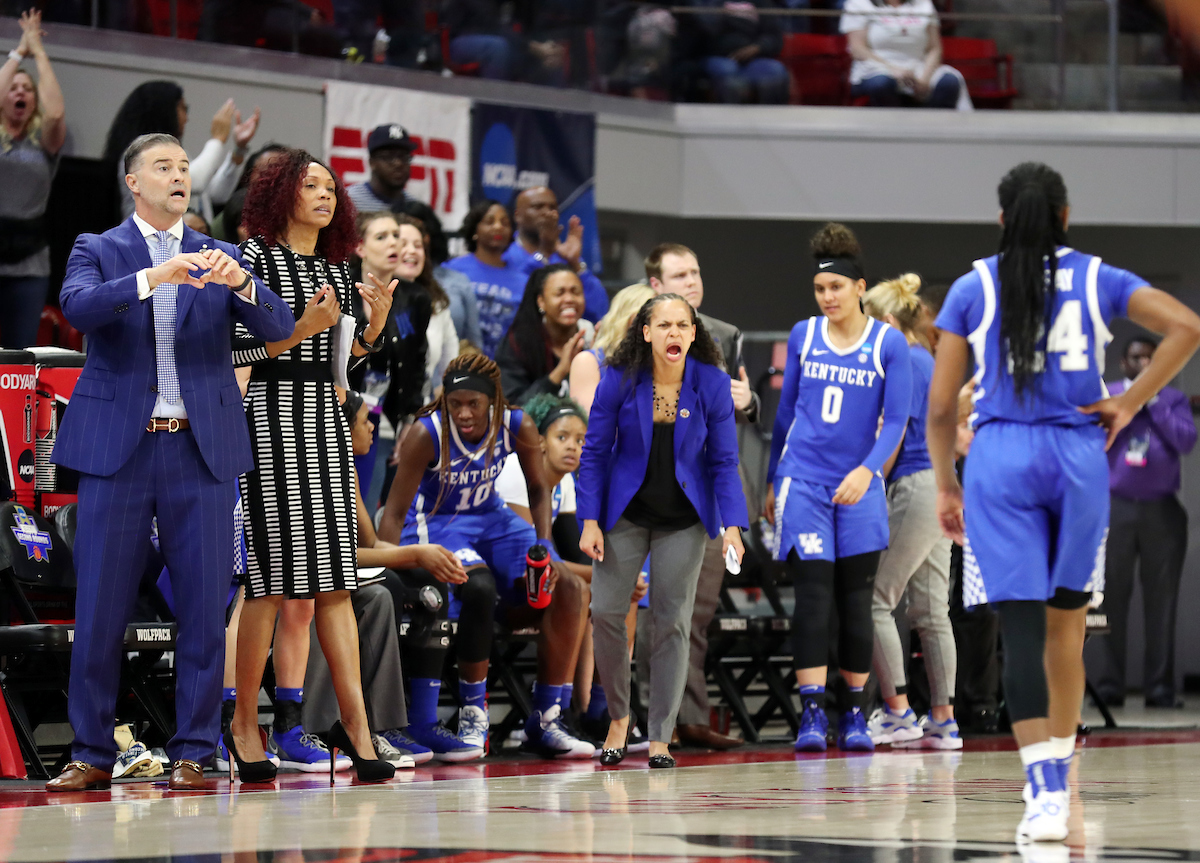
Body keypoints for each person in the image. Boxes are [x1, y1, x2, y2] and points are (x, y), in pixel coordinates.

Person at [927, 162, 1200, 843]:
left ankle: (1044, 793)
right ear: (1065, 216)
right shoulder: (1096, 276)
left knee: (1020, 632)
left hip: (1001, 459)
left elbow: (938, 410)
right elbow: (1187, 326)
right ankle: (1062, 768)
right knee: (1067, 629)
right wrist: (1130, 401)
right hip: (1078, 456)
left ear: (1000, 220)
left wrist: (945, 483)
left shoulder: (970, 286)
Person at [44, 132, 294, 791]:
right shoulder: (98, 248)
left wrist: (243, 279)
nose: (179, 175)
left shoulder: (222, 254)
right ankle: (92, 750)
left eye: (185, 166)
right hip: (117, 451)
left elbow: (279, 327)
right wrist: (156, 277)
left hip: (199, 448)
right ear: (133, 180)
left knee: (206, 608)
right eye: (164, 165)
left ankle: (192, 749)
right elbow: (77, 308)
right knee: (100, 606)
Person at [229, 147, 398, 784]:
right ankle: (246, 725)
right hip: (271, 424)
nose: (326, 195)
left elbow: (335, 362)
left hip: (325, 424)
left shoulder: (332, 265)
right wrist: (308, 325)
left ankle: (358, 730)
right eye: (311, 186)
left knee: (336, 586)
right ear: (280, 195)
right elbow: (239, 347)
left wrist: (371, 331)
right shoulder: (252, 260)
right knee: (270, 588)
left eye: (331, 187)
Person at [377, 354, 595, 760]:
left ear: (492, 400)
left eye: (472, 404)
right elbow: (393, 511)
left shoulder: (516, 424)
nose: (463, 412)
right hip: (437, 522)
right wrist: (392, 579)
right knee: (476, 584)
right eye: (454, 402)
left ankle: (547, 718)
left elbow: (538, 488)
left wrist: (544, 545)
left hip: (491, 518)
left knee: (566, 583)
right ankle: (473, 712)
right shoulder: (428, 432)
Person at [579, 293, 748, 769]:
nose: (674, 333)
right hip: (625, 512)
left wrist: (733, 527)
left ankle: (659, 737)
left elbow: (723, 461)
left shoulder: (713, 383)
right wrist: (589, 521)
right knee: (607, 611)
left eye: (683, 325)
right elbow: (593, 454)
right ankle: (618, 717)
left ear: (694, 334)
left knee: (672, 622)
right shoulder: (618, 379)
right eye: (664, 325)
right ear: (646, 332)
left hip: (685, 518)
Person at [763, 223, 913, 754]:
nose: (827, 297)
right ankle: (809, 713)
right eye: (820, 289)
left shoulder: (887, 343)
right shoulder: (803, 334)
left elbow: (896, 422)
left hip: (858, 485)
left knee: (855, 600)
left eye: (836, 288)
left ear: (859, 287)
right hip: (803, 480)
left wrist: (868, 470)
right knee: (812, 595)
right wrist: (770, 478)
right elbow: (785, 415)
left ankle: (853, 713)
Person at [644, 243, 756, 750]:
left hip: (707, 486)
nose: (691, 281)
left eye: (695, 271)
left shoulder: (726, 336)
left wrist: (748, 401)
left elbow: (738, 412)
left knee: (697, 609)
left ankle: (685, 716)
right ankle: (648, 720)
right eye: (678, 274)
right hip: (648, 489)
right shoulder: (632, 333)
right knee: (658, 608)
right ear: (654, 285)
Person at [861, 274, 960, 750]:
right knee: (930, 609)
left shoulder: (902, 360)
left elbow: (895, 431)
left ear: (883, 320)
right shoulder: (929, 357)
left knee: (876, 598)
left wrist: (868, 477)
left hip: (916, 485)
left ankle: (898, 712)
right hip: (942, 485)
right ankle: (943, 719)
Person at [1093, 336, 1197, 709]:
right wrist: (1128, 405)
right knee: (1111, 601)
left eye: (1151, 359)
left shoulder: (1172, 398)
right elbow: (1093, 440)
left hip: (1161, 510)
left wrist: (1153, 403)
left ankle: (1159, 689)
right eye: (1138, 358)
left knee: (1161, 602)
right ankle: (1110, 686)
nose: (1144, 365)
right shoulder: (1111, 395)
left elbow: (1186, 441)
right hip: (1116, 507)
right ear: (1124, 363)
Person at [351, 211, 457, 497]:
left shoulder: (416, 297)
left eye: (396, 236)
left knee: (376, 508)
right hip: (342, 413)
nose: (394, 244)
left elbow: (415, 363)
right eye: (382, 237)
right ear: (360, 247)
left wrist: (410, 420)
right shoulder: (343, 289)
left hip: (389, 417)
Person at [0, 9, 65, 349]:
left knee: (17, 354)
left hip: (29, 262)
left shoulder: (44, 142)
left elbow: (55, 113)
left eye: (27, 88)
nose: (20, 92)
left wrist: (38, 52)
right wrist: (17, 53)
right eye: (13, 88)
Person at [103, 82, 256, 220]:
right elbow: (192, 183)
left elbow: (217, 194)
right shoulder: (141, 151)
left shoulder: (176, 152)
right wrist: (217, 139)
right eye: (183, 108)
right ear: (164, 111)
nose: (187, 117)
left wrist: (239, 150)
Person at [503, 186, 610, 324]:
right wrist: (543, 254)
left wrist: (575, 263)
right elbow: (512, 307)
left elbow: (600, 313)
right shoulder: (504, 256)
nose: (547, 212)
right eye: (538, 207)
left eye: (552, 207)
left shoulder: (564, 258)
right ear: (517, 215)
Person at [842, 0, 970, 110]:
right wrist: (892, 69)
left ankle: (933, 132)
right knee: (882, 84)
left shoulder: (923, 3)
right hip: (875, 68)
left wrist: (924, 80)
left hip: (918, 67)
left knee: (949, 82)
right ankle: (892, 134)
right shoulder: (858, 3)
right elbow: (857, 49)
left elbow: (934, 48)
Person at [496, 264, 593, 404]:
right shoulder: (518, 342)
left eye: (575, 292)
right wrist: (560, 372)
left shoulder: (593, 339)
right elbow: (513, 405)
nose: (569, 299)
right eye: (560, 293)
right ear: (541, 301)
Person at [443, 199, 528, 357]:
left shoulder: (523, 281)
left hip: (505, 368)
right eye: (489, 222)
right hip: (458, 360)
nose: (498, 227)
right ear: (475, 230)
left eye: (505, 223)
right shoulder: (451, 270)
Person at [400, 199, 483, 350]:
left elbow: (472, 344)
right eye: (403, 243)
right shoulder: (369, 293)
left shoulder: (439, 299)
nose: (411, 250)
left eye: (418, 244)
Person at [570, 283, 657, 411]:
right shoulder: (588, 362)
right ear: (625, 318)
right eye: (648, 316)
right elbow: (591, 423)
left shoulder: (665, 365)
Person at [686, 0, 790, 104]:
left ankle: (768, 118)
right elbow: (700, 30)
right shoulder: (709, 2)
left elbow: (774, 37)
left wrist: (758, 47)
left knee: (776, 70)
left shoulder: (761, 3)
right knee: (727, 71)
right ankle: (727, 118)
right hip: (717, 56)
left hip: (752, 60)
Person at [347, 124, 417, 215]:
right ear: (372, 162)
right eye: (388, 157)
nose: (398, 163)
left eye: (403, 156)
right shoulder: (349, 202)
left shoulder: (414, 208)